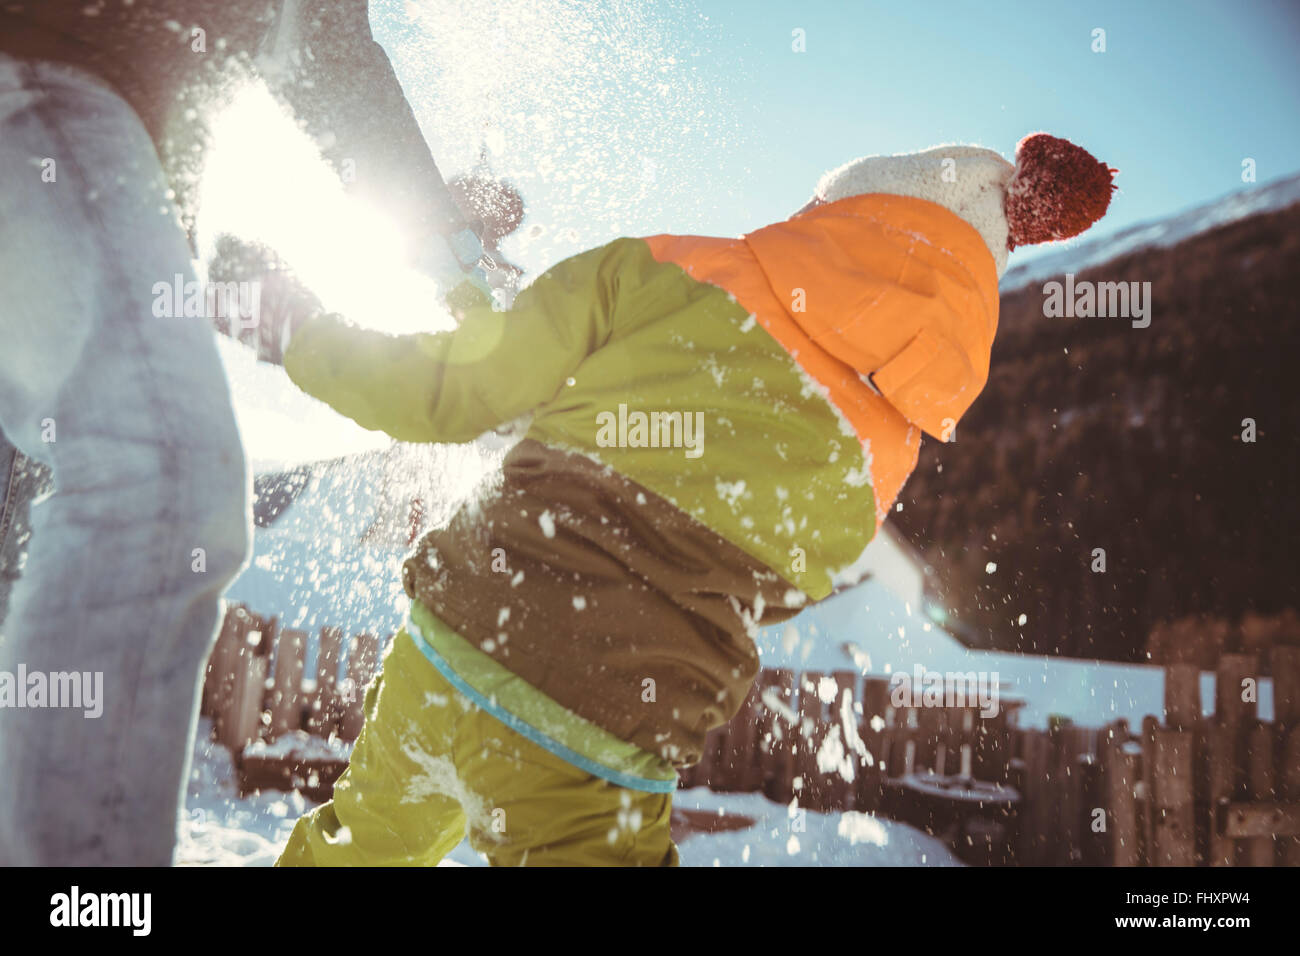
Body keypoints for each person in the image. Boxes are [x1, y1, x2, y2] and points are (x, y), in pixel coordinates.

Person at [275, 133, 1116, 866]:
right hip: (605, 731)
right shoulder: (883, 454)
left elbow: (453, 392)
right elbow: (772, 586)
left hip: (452, 646)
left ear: (833, 212)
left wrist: (296, 333)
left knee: (357, 847)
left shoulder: (665, 267)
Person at [0, 0, 485, 865]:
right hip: (42, 93)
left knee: (46, 537)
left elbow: (325, 51)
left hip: (82, 153)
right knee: (160, 478)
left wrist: (433, 254)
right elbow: (330, 54)